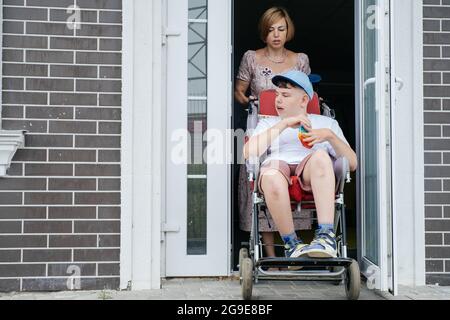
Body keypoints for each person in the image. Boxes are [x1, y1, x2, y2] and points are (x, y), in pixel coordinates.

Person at [243, 70, 358, 258]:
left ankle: (325, 236)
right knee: (271, 173)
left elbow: (352, 164)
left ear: (304, 100)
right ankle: (291, 243)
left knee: (321, 156)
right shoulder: (268, 123)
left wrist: (330, 136)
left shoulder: (326, 123)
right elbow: (248, 153)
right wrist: (283, 125)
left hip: (312, 171)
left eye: (285, 95)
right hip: (278, 170)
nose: (278, 100)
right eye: (277, 95)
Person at [235, 7, 311, 261]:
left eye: (281, 29)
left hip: (292, 125)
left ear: (288, 31)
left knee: (292, 177)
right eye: (270, 30)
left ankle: (294, 249)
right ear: (263, 33)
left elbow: (307, 96)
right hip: (263, 123)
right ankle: (269, 255)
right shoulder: (251, 58)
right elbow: (239, 91)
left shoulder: (300, 59)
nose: (276, 35)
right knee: (261, 179)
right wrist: (250, 100)